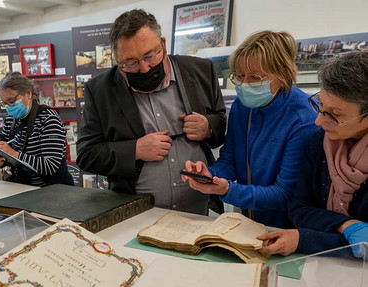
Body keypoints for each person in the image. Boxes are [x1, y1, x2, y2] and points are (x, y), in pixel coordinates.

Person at [76, 9, 226, 214]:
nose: (145, 68)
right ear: (117, 61)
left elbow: (221, 121)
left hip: (198, 208)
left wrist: (208, 127)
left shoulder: (201, 70)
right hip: (135, 214)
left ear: (163, 44)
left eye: (150, 56)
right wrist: (135, 150)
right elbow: (86, 155)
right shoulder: (99, 90)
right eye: (131, 62)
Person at [182, 31, 319, 227]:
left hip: (289, 229)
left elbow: (285, 194)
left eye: (254, 77)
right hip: (250, 222)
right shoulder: (242, 106)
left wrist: (228, 191)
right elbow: (229, 160)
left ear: (282, 76)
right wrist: (209, 175)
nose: (244, 84)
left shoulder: (302, 120)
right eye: (239, 75)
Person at [258, 52, 368, 257]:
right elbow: (300, 209)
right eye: (320, 105)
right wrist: (348, 225)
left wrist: (307, 239)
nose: (319, 121)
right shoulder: (320, 142)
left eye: (335, 114)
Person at [0, 72, 73, 187]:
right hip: (22, 187)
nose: (9, 107)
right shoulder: (11, 119)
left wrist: (15, 155)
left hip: (52, 191)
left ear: (28, 94)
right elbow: (4, 143)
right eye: (4, 104)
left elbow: (50, 166)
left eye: (12, 101)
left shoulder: (49, 119)